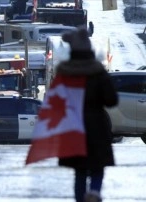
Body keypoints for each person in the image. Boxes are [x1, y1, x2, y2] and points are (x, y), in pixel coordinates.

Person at [57, 29, 118, 202]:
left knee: (80, 170)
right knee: (97, 166)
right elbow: (111, 100)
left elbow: (56, 101)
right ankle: (95, 192)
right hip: (97, 126)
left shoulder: (65, 73)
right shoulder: (98, 72)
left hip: (73, 127)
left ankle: (80, 199)